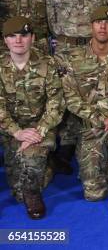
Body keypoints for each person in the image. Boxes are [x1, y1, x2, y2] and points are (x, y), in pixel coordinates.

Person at [56, 6, 108, 214]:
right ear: (90, 26)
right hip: (90, 126)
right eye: (98, 22)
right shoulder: (73, 59)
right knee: (94, 194)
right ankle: (105, 165)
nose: (103, 26)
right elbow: (70, 98)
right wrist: (100, 118)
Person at [46, 0, 108, 174]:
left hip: (92, 47)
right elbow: (50, 17)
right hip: (64, 48)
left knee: (89, 94)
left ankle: (89, 144)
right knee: (64, 94)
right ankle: (65, 146)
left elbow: (105, 18)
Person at [0, 16, 64, 219]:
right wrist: (17, 132)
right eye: (12, 36)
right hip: (11, 130)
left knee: (29, 170)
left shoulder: (48, 64)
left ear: (33, 38)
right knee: (16, 189)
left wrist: (38, 132)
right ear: (5, 40)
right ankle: (46, 167)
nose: (18, 40)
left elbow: (56, 104)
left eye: (24, 35)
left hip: (39, 130)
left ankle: (33, 194)